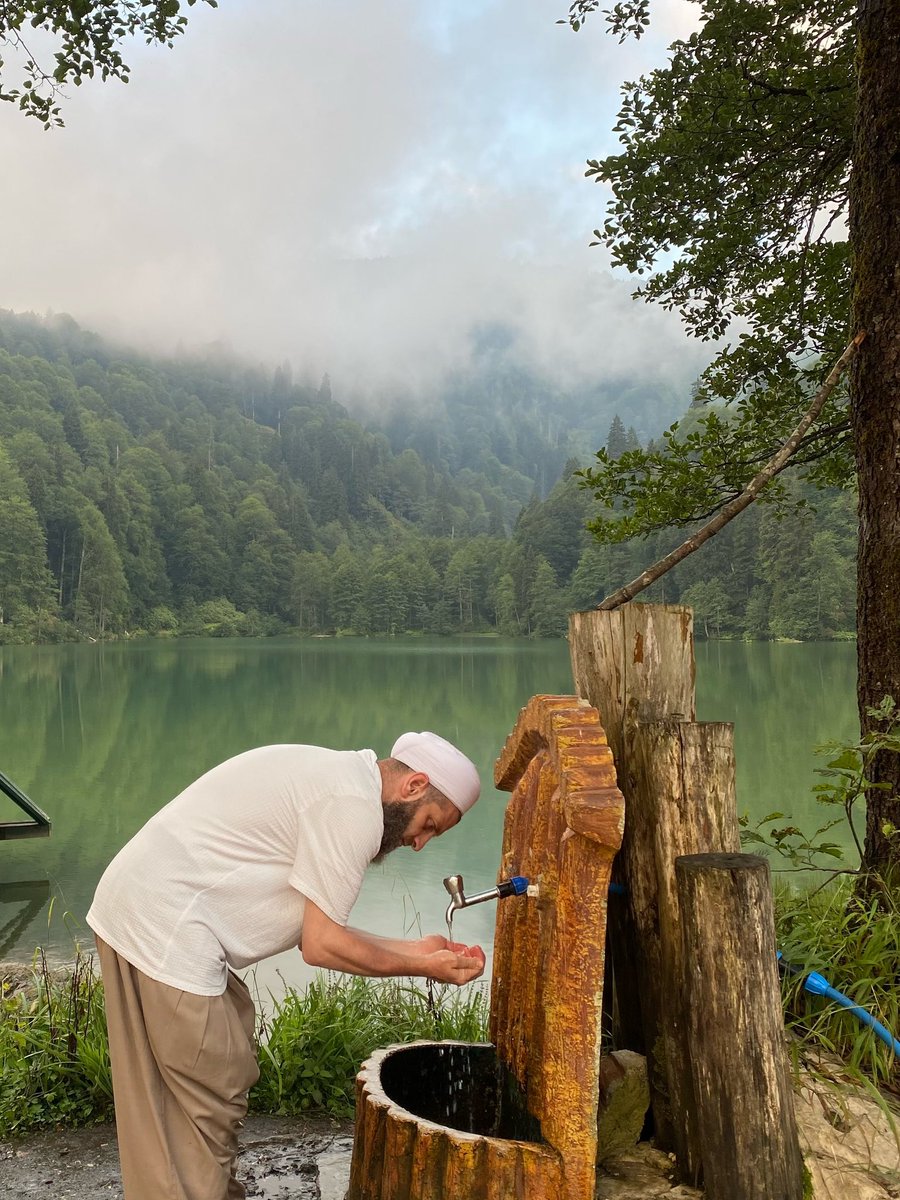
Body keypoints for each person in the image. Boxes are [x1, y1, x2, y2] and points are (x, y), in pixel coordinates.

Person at [87, 730, 486, 1200]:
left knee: (166, 1105)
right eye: (430, 825)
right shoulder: (351, 808)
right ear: (414, 785)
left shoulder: (340, 781)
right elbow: (321, 946)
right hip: (168, 932)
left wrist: (419, 950)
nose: (420, 842)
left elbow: (317, 927)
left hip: (142, 913)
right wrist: (424, 968)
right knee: (207, 1099)